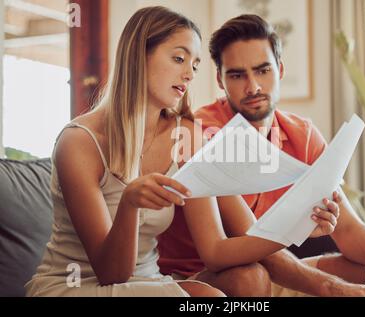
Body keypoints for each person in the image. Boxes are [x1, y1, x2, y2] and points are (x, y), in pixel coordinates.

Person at [25, 7, 338, 297]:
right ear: (138, 56)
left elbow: (215, 251)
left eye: (195, 64)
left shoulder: (187, 135)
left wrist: (298, 227)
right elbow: (112, 275)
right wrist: (128, 206)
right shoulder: (79, 143)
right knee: (209, 299)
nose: (189, 73)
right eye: (179, 58)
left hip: (149, 282)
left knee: (249, 279)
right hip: (78, 285)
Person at [157, 14, 365, 297]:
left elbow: (348, 230)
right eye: (237, 75)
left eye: (263, 70)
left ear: (280, 69)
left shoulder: (303, 135)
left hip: (280, 270)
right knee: (250, 277)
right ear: (220, 79)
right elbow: (254, 247)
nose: (253, 87)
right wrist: (334, 288)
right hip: (209, 277)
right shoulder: (200, 133)